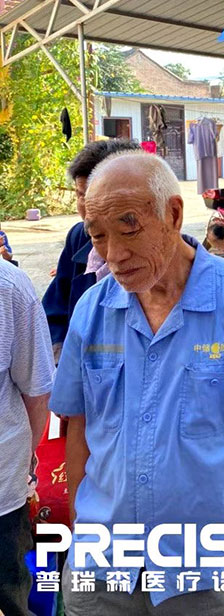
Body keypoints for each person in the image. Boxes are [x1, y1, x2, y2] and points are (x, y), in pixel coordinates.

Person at [49, 152, 224, 615]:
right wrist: (83, 530)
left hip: (207, 568)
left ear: (173, 214)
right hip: (103, 564)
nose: (113, 255)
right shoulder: (92, 310)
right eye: (97, 236)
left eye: (129, 230)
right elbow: (79, 428)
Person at [42, 138, 140, 359]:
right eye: (81, 195)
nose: (88, 208)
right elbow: (54, 311)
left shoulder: (155, 250)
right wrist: (63, 357)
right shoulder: (79, 238)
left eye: (96, 196)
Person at [0, 260, 55, 616]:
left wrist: (23, 462)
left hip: (2, 497)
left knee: (10, 597)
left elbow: (37, 393)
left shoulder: (9, 288)